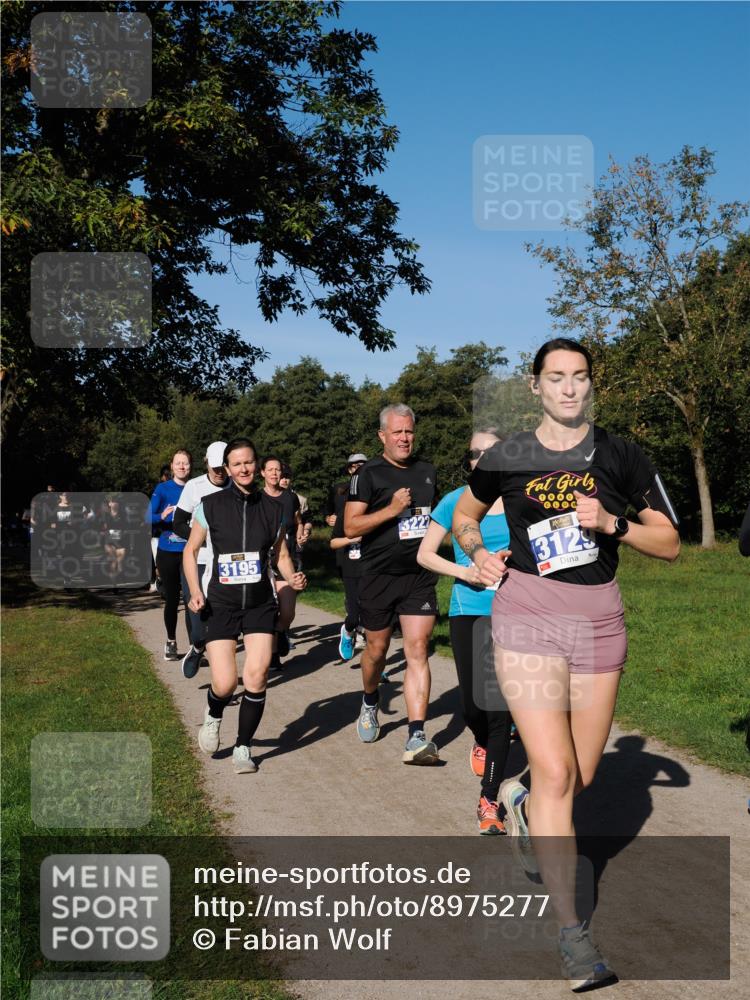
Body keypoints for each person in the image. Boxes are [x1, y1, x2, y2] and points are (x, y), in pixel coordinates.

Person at [453, 338, 680, 992]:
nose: (569, 388)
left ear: (591, 385)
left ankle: (520, 798)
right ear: (536, 386)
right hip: (526, 616)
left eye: (580, 377)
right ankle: (573, 934)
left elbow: (669, 543)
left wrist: (613, 523)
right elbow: (466, 517)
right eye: (556, 377)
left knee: (577, 776)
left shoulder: (621, 454)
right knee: (557, 772)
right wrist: (479, 553)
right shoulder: (506, 456)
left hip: (598, 621)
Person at [183, 438, 306, 773]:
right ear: (227, 468)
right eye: (236, 464)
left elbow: (280, 555)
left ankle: (243, 746)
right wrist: (195, 590)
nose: (243, 468)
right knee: (225, 683)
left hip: (259, 603)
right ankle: (213, 714)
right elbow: (190, 551)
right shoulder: (210, 505)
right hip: (221, 603)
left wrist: (292, 577)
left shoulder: (273, 509)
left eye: (248, 462)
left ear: (257, 464)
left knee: (256, 676)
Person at [417, 429, 512, 834]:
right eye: (477, 453)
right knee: (475, 707)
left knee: (499, 708)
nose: (484, 458)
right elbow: (424, 554)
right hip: (468, 610)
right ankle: (481, 738)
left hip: (516, 614)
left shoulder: (521, 500)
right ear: (469, 461)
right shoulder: (455, 501)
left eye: (493, 451)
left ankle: (489, 801)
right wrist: (466, 572)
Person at [345, 404, 439, 764]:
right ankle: (370, 700)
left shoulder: (427, 471)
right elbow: (351, 527)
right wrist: (390, 510)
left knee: (418, 648)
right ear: (382, 435)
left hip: (418, 576)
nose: (404, 438)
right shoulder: (367, 474)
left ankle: (416, 735)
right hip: (378, 577)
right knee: (377, 649)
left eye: (409, 431)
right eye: (397, 432)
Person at [172, 441, 229, 678]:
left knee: (220, 619)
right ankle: (197, 647)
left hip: (224, 563)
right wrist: (202, 538)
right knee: (198, 618)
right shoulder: (194, 487)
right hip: (198, 559)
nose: (219, 472)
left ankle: (222, 677)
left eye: (223, 467)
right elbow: (177, 524)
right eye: (215, 467)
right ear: (206, 463)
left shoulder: (237, 487)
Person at [149, 450, 192, 659]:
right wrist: (161, 515)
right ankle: (171, 641)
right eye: (178, 463)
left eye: (185, 463)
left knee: (193, 598)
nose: (182, 466)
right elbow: (147, 517)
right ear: (172, 466)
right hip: (168, 552)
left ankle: (195, 646)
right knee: (173, 599)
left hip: (191, 552)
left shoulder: (196, 487)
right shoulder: (163, 488)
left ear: (191, 466)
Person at [261, 456, 302, 670]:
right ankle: (273, 654)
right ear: (262, 473)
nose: (275, 474)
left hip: (286, 557)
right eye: (270, 470)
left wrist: (302, 533)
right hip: (264, 561)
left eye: (278, 470)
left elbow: (297, 521)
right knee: (268, 610)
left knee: (287, 611)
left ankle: (280, 632)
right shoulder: (257, 498)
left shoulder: (290, 498)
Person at [279, 465, 313, 571]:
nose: (284, 480)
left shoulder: (301, 499)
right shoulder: (264, 497)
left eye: (287, 477)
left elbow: (307, 520)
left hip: (294, 544)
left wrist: (306, 532)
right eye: (282, 477)